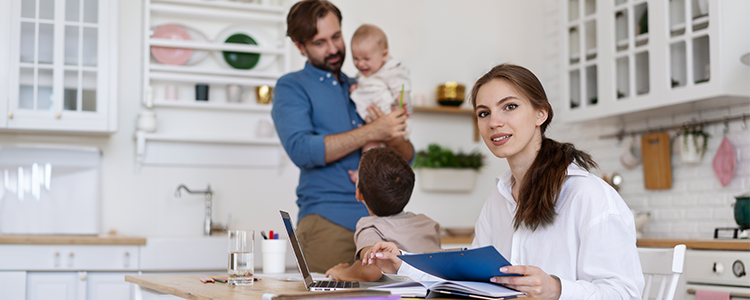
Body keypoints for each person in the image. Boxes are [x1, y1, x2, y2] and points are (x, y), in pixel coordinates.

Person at [362, 64, 644, 300]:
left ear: (540, 113)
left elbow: (625, 293)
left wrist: (556, 289)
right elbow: (467, 280)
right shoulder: (498, 200)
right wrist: (402, 263)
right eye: (484, 113)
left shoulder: (588, 195)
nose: (494, 122)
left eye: (509, 107)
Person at [272, 0, 414, 273]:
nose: (334, 48)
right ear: (300, 47)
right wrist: (373, 131)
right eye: (320, 42)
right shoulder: (291, 86)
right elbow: (301, 149)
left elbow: (406, 158)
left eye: (336, 37)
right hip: (329, 222)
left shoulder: (361, 87)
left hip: (383, 225)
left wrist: (390, 131)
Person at [324, 147, 441, 281]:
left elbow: (369, 272)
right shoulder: (428, 224)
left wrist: (339, 272)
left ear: (358, 193)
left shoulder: (370, 228)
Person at [346, 24, 413, 184]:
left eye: (366, 59)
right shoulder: (366, 74)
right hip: (374, 121)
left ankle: (366, 174)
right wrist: (356, 89)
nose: (361, 64)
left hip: (391, 118)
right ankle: (363, 173)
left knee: (375, 149)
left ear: (384, 55)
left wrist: (402, 101)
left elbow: (401, 85)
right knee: (370, 146)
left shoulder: (390, 69)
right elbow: (365, 86)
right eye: (356, 59)